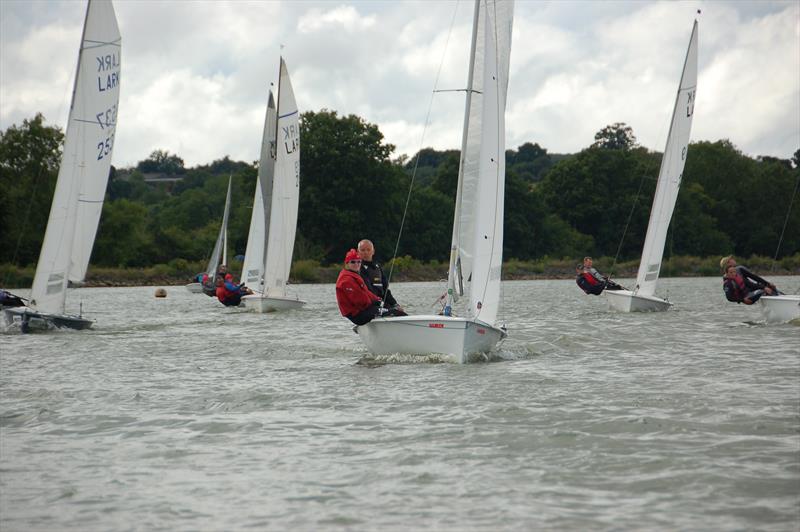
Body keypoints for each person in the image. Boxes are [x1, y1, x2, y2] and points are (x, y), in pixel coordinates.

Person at [357, 239, 407, 316]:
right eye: (362, 250)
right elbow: (368, 290)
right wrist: (382, 304)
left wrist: (395, 304)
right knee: (394, 312)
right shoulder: (358, 268)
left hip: (381, 304)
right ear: (358, 252)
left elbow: (386, 290)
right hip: (369, 306)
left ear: (373, 251)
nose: (366, 252)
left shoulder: (378, 267)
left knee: (401, 312)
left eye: (368, 250)